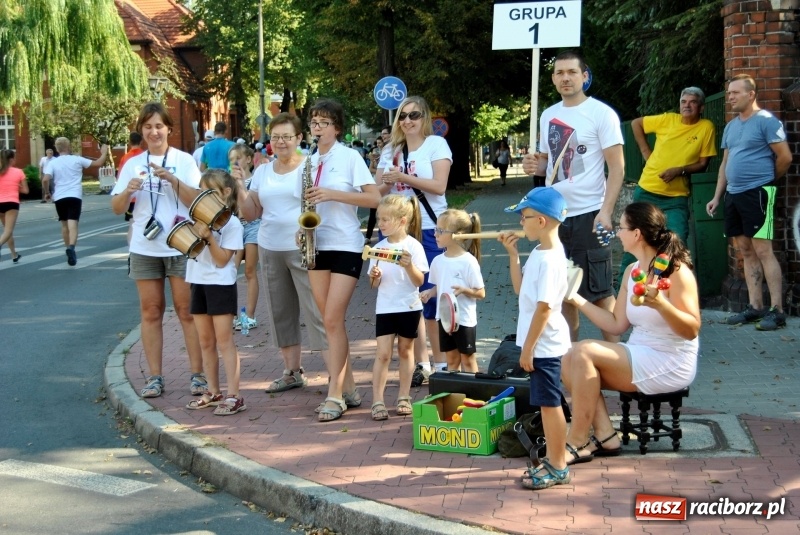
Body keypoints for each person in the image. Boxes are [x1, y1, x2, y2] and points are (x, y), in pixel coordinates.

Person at [561, 202, 700, 465]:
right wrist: (575, 298)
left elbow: (691, 330)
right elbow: (615, 325)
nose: (617, 233)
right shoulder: (632, 271)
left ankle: (577, 440)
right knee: (567, 354)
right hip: (640, 351)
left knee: (584, 351)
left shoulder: (676, 270)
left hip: (670, 360)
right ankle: (605, 435)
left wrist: (661, 304)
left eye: (621, 228)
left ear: (637, 234)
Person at [522, 50, 625, 343]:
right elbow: (548, 163)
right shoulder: (548, 115)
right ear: (553, 79)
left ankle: (619, 362)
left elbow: (617, 167)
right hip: (556, 217)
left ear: (584, 76)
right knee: (564, 294)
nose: (565, 78)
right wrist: (535, 165)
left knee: (601, 292)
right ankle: (571, 362)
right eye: (559, 73)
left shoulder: (601, 114)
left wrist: (606, 212)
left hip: (590, 214)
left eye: (571, 72)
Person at [110, 101, 204, 399]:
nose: (154, 132)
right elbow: (116, 208)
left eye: (159, 126)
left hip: (180, 244)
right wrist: (128, 190)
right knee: (150, 311)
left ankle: (198, 375)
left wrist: (173, 179)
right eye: (148, 127)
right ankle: (154, 377)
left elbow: (197, 200)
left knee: (187, 310)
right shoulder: (132, 164)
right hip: (145, 246)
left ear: (169, 130)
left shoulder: (184, 160)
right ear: (141, 130)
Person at [237, 113, 328, 395]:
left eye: (287, 136)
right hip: (269, 246)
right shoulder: (263, 171)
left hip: (303, 246)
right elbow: (251, 213)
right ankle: (292, 371)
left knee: (317, 311)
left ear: (299, 138)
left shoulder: (311, 166)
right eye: (275, 137)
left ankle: (336, 375)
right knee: (281, 311)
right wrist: (240, 186)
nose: (281, 142)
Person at [305, 99, 381, 422]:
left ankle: (334, 395)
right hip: (315, 243)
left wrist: (332, 194)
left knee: (334, 319)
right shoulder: (307, 162)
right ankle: (349, 388)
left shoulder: (350, 157)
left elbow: (375, 197)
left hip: (346, 244)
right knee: (328, 321)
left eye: (324, 123)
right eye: (313, 122)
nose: (317, 128)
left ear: (337, 128)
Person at [498, 187, 572, 490]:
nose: (520, 221)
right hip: (539, 342)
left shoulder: (552, 259)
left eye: (524, 216)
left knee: (550, 404)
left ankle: (558, 465)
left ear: (541, 221)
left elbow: (544, 308)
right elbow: (521, 291)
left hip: (546, 344)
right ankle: (554, 460)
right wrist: (513, 256)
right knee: (545, 403)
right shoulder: (539, 253)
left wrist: (527, 349)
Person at [707, 74, 793, 331]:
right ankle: (755, 307)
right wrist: (717, 196)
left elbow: (785, 157)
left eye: (735, 92)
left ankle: (777, 311)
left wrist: (765, 181)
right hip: (733, 195)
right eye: (729, 93)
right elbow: (725, 163)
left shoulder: (766, 121)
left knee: (764, 250)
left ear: (751, 94)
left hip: (758, 194)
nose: (730, 97)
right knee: (745, 250)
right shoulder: (732, 126)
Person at [379, 97, 452, 385]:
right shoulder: (391, 149)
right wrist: (385, 176)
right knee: (411, 300)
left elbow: (439, 186)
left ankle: (443, 363)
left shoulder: (436, 145)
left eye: (414, 115)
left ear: (425, 117)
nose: (408, 121)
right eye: (403, 116)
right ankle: (423, 364)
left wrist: (404, 177)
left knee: (432, 298)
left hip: (432, 227)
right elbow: (380, 189)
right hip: (400, 230)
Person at [620, 87, 717, 282]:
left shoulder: (706, 127)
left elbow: (702, 163)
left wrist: (679, 170)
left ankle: (668, 285)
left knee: (676, 240)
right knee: (636, 239)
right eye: (684, 101)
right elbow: (637, 124)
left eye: (692, 102)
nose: (687, 105)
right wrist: (645, 151)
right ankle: (625, 284)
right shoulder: (668, 119)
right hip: (647, 191)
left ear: (701, 107)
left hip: (676, 198)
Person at [184, 169, 246, 415]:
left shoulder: (232, 223)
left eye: (208, 192)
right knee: (205, 341)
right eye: (201, 191)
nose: (202, 196)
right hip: (198, 281)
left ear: (226, 193)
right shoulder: (198, 219)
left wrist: (209, 236)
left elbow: (222, 261)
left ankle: (234, 395)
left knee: (224, 341)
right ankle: (213, 391)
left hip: (220, 284)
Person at [367, 194, 428, 420]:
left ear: (402, 221)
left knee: (405, 351)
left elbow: (419, 281)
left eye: (385, 219)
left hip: (409, 306)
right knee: (383, 354)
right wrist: (374, 276)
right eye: (379, 219)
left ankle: (404, 396)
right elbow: (373, 284)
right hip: (385, 307)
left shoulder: (414, 246)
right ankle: (377, 401)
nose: (380, 224)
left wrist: (409, 265)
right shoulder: (378, 248)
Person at [420, 209, 486, 373]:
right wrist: (430, 292)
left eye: (441, 231)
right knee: (452, 360)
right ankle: (455, 394)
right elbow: (439, 285)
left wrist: (464, 290)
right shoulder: (437, 261)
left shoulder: (468, 262)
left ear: (459, 234)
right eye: (436, 229)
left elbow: (481, 293)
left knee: (468, 360)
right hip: (444, 319)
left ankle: (473, 394)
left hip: (464, 319)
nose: (435, 234)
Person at [43, 136, 110, 266]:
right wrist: (104, 152)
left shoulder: (53, 163)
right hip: (74, 196)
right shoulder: (77, 160)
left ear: (56, 148)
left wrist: (47, 192)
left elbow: (45, 179)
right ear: (68, 146)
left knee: (64, 225)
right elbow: (98, 163)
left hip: (60, 197)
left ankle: (67, 246)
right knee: (73, 224)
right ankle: (72, 248)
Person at [228, 144, 260, 331]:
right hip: (235, 227)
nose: (234, 163)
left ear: (248, 159)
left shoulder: (255, 180)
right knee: (230, 271)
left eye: (237, 159)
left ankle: (250, 315)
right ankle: (230, 314)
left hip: (254, 226)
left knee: (249, 271)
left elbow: (255, 203)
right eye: (231, 160)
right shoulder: (229, 182)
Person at [0, 150, 29, 263]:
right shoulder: (19, 172)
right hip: (11, 203)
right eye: (15, 158)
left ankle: (14, 254)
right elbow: (26, 191)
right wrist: (16, 186)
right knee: (8, 230)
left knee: (7, 231)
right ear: (11, 159)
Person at [118, 132, 147, 228]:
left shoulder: (125, 157)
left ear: (130, 142)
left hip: (130, 195)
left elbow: (120, 176)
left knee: (132, 223)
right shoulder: (145, 156)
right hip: (144, 194)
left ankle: (132, 242)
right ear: (141, 142)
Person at [364, 131, 388, 243]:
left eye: (380, 142)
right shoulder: (375, 153)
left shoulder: (390, 152)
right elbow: (371, 169)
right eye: (377, 143)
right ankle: (368, 236)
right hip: (377, 185)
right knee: (373, 213)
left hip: (388, 188)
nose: (378, 144)